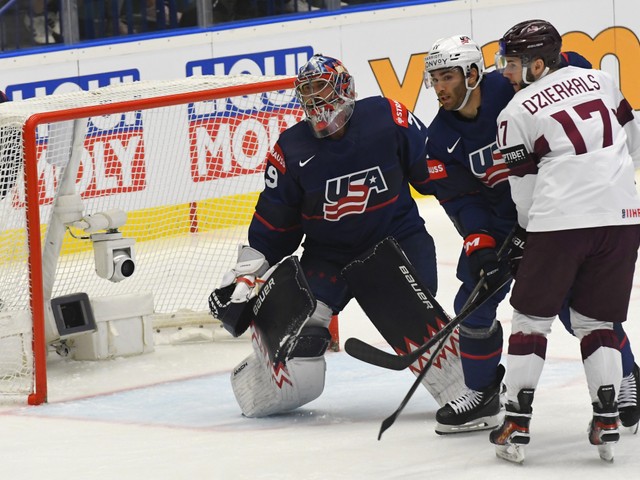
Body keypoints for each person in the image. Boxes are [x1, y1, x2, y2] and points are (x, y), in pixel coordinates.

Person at [421, 34, 640, 435]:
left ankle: (626, 377)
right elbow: (461, 200)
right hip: (507, 224)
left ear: (472, 73)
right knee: (473, 300)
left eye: (446, 77)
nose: (439, 88)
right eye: (433, 79)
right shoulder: (438, 140)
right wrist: (481, 244)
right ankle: (483, 392)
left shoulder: (512, 85)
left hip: (557, 211)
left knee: (580, 308)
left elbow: (566, 63)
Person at [213, 54, 446, 417]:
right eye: (307, 94)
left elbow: (434, 173)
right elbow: (274, 225)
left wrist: (484, 222)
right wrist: (247, 274)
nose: (315, 102)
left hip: (397, 241)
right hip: (329, 256)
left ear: (345, 88)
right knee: (300, 334)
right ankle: (277, 389)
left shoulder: (387, 117)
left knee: (421, 320)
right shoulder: (290, 150)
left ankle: (468, 391)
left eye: (321, 89)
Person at [488, 19, 640, 463]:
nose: (506, 72)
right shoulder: (601, 80)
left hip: (560, 221)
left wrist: (525, 231)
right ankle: (607, 417)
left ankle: (516, 421)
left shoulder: (513, 113)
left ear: (538, 63)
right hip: (623, 217)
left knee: (531, 320)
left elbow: (525, 189)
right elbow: (631, 141)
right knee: (597, 323)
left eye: (512, 64)